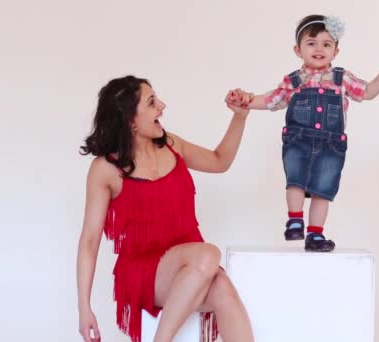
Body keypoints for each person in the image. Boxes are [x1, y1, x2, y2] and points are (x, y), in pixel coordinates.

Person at [76, 75, 254, 342]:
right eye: (151, 102)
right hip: (143, 271)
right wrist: (84, 307)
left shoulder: (172, 145)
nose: (162, 105)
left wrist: (239, 117)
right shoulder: (105, 170)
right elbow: (90, 241)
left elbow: (219, 161)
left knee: (222, 286)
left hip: (192, 265)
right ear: (131, 121)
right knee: (209, 255)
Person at [227, 14, 379, 252]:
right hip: (298, 140)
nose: (319, 49)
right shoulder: (293, 81)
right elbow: (270, 100)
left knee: (322, 191)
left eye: (326, 44)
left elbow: (367, 92)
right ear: (298, 50)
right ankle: (295, 220)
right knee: (295, 181)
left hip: (331, 145)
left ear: (336, 51)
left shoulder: (342, 78)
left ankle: (315, 235)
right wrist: (246, 99)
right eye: (312, 43)